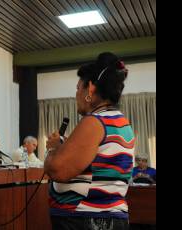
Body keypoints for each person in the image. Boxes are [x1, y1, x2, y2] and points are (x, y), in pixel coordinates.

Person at [44, 52, 134, 230]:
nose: (76, 94)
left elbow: (57, 170)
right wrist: (65, 146)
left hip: (86, 219)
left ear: (90, 88)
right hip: (105, 218)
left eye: (78, 88)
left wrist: (54, 149)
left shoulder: (94, 122)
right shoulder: (119, 121)